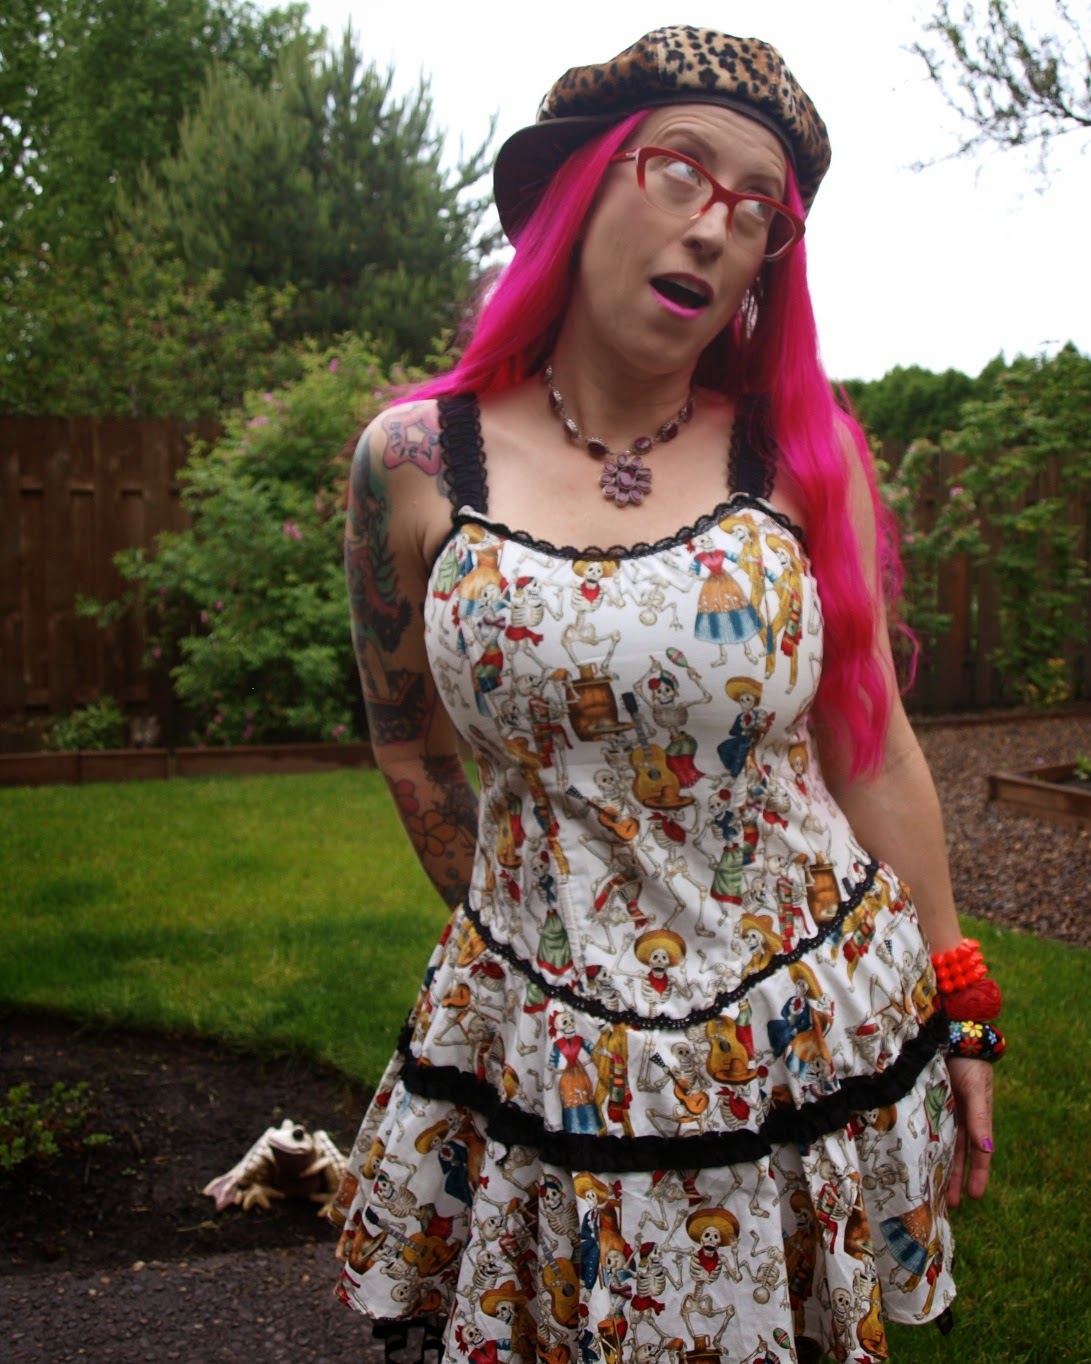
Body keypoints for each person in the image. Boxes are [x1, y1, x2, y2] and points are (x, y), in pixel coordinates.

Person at [330, 25, 1004, 1364]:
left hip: (802, 1020)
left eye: (758, 211)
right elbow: (407, 746)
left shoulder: (802, 458)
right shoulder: (412, 461)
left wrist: (963, 995)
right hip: (541, 1025)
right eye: (682, 171)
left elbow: (872, 744)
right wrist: (524, 943)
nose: (715, 226)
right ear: (585, 186)